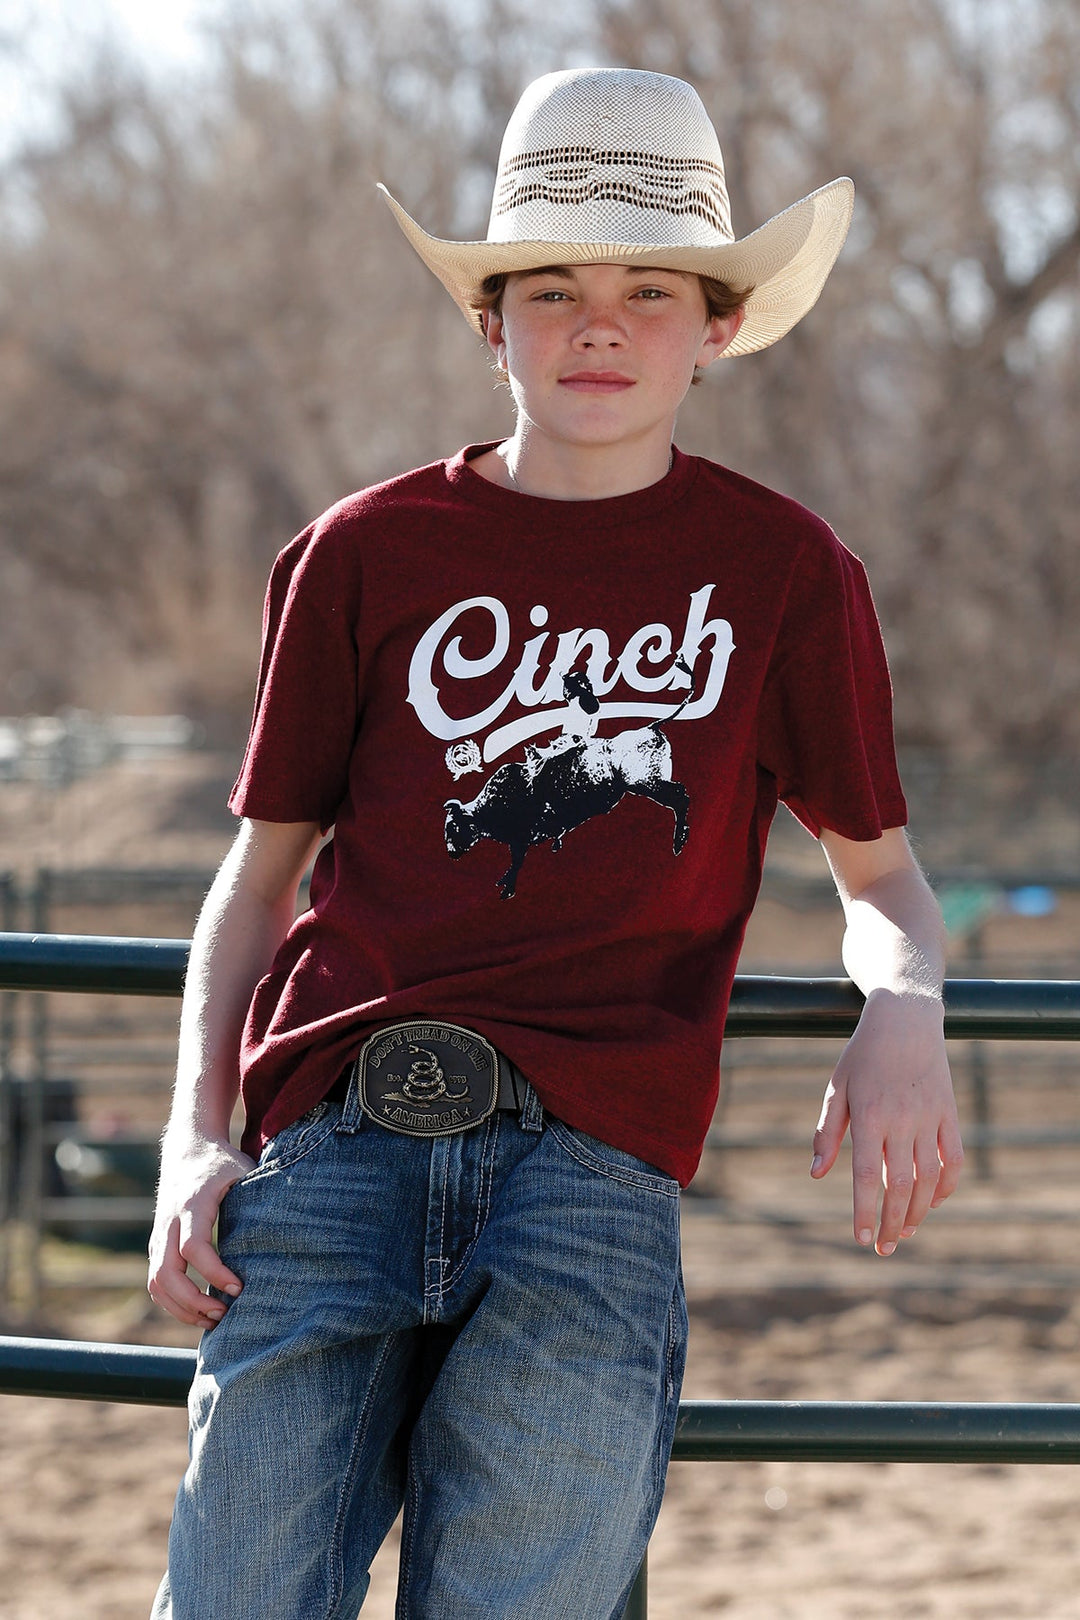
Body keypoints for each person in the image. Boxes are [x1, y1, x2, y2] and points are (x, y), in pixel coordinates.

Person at [147, 67, 963, 1619]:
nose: (601, 325)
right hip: (327, 1163)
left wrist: (905, 1002)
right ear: (489, 319)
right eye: (555, 288)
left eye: (650, 289)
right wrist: (201, 1136)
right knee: (235, 1596)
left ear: (717, 326)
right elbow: (255, 882)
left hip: (591, 1177)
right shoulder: (361, 554)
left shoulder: (785, 572)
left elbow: (885, 879)